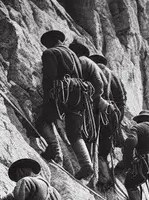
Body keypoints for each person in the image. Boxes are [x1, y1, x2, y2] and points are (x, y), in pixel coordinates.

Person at [36, 30, 96, 179]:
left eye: (47, 43)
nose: (46, 46)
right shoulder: (74, 55)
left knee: (43, 120)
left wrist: (47, 100)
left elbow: (49, 77)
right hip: (79, 94)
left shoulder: (50, 53)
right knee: (74, 132)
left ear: (52, 41)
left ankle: (54, 151)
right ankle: (86, 164)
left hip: (62, 91)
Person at [67, 40, 106, 181]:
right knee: (90, 137)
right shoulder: (93, 65)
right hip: (94, 105)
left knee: (74, 131)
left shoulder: (81, 61)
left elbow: (98, 87)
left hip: (83, 102)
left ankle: (86, 166)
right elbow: (102, 86)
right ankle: (91, 175)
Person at [88, 53, 126, 191]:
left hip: (99, 112)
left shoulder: (94, 70)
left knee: (95, 145)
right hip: (113, 115)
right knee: (105, 147)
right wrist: (117, 120)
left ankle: (104, 178)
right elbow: (122, 100)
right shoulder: (114, 76)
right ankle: (108, 175)